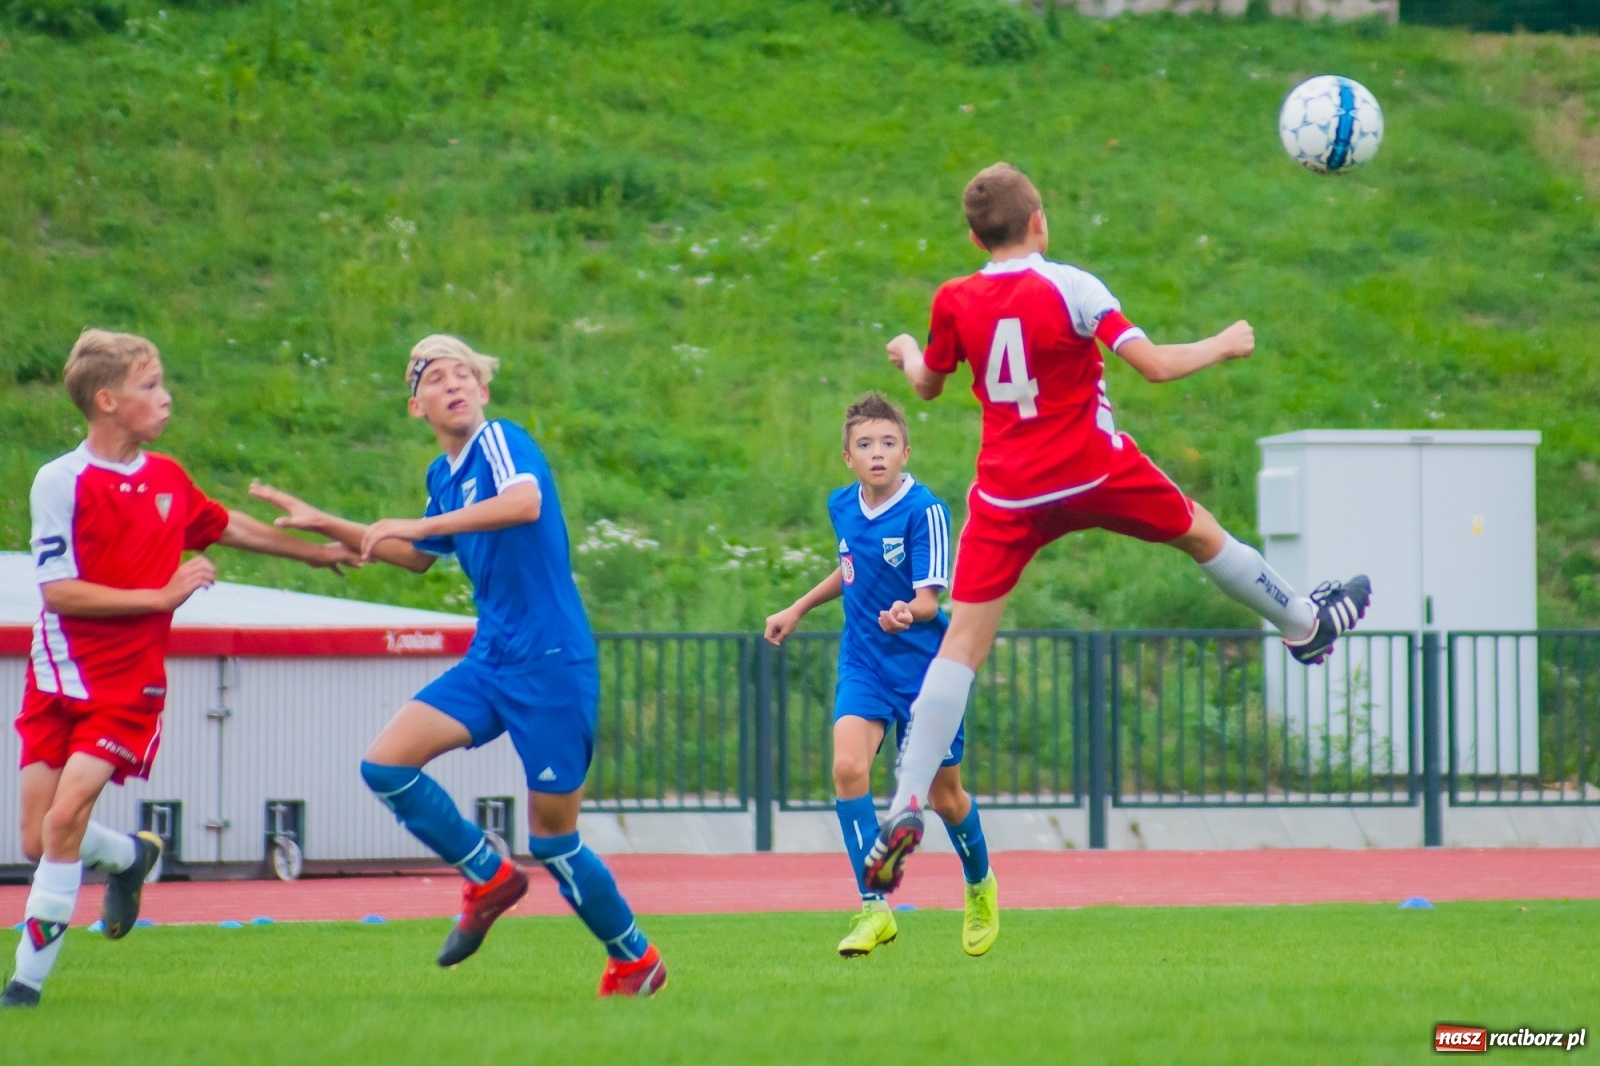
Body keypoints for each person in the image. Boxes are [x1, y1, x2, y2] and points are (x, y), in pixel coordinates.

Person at [862, 163, 1371, 894]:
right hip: (1092, 471)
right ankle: (1304, 624)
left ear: (975, 237)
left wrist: (910, 349)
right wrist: (1223, 343)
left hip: (1008, 494)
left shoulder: (954, 299)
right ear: (1040, 221)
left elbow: (927, 384)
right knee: (1200, 533)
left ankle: (906, 802)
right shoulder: (1071, 286)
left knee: (960, 646)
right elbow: (1154, 366)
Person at [250, 334, 666, 997]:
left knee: (554, 841)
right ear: (416, 406)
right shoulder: (442, 477)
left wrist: (415, 527)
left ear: (484, 389)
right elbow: (417, 556)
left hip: (552, 664)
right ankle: (488, 875)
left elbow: (524, 503)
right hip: (493, 658)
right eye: (436, 378)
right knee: (386, 764)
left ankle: (635, 959)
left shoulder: (499, 441)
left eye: (463, 374)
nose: (454, 384)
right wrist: (325, 521)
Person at [4, 330, 354, 1009]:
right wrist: (161, 597)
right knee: (38, 837)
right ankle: (130, 856)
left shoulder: (166, 478)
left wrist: (315, 554)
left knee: (64, 817)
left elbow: (228, 526)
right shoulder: (60, 481)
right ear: (107, 401)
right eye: (150, 385)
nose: (166, 398)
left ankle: (24, 988)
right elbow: (59, 592)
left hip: (127, 685)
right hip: (55, 678)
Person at [765, 393, 998, 958]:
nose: (877, 453)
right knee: (848, 768)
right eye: (865, 444)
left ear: (905, 452)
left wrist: (905, 613)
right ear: (848, 457)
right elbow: (850, 568)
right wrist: (798, 607)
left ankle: (980, 886)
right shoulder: (842, 505)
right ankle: (874, 908)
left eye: (888, 443)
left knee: (946, 798)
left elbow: (928, 599)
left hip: (925, 673)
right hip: (864, 663)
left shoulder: (926, 511)